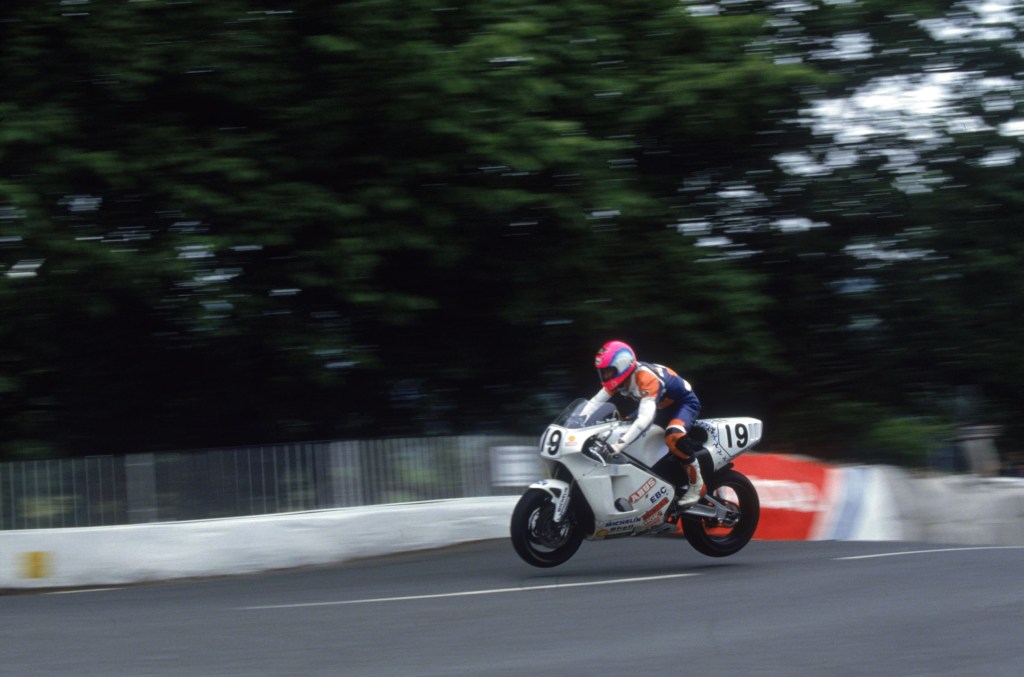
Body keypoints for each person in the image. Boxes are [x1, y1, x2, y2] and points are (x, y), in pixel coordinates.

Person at [579, 340, 705, 507]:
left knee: (674, 437)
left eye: (609, 372)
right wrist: (578, 420)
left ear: (622, 366)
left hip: (683, 404)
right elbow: (595, 403)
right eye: (603, 372)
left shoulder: (645, 378)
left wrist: (619, 445)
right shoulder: (620, 379)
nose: (606, 377)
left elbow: (644, 420)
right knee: (620, 426)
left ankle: (697, 486)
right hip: (660, 405)